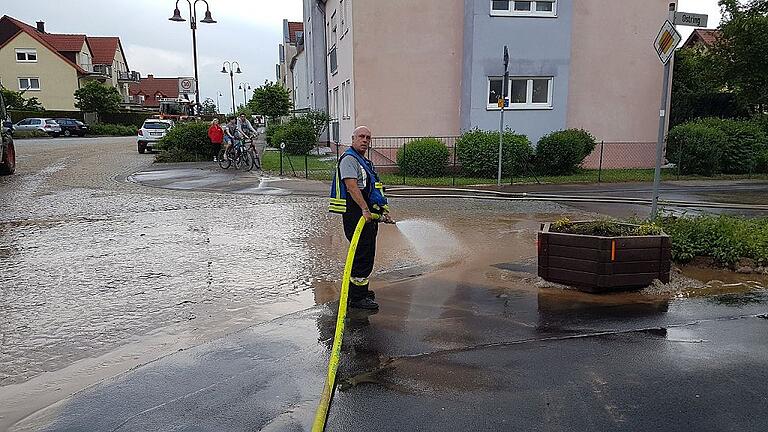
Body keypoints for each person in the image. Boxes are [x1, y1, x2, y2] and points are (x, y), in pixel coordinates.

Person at [329, 126, 394, 310]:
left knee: (365, 253)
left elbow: (372, 190)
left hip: (367, 214)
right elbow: (352, 187)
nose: (365, 140)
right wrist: (365, 210)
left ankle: (360, 291)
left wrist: (382, 212)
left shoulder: (363, 161)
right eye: (361, 137)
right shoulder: (349, 159)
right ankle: (357, 299)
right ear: (353, 139)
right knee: (362, 256)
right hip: (357, 214)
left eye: (368, 137)